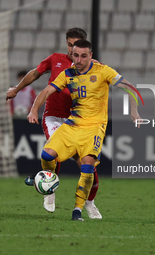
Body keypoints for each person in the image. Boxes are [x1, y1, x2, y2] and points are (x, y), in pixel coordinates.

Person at [27, 39, 141, 221]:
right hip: (73, 125)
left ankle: (78, 210)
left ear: (91, 56)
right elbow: (46, 91)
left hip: (94, 128)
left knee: (87, 167)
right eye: (76, 55)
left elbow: (129, 87)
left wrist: (134, 111)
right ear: (71, 55)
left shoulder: (103, 71)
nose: (79, 60)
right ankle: (49, 185)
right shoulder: (68, 74)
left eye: (84, 56)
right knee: (47, 155)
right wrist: (34, 109)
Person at [6, 28, 102, 219]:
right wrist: (17, 89)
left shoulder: (94, 67)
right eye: (69, 44)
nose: (70, 49)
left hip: (77, 122)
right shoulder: (55, 59)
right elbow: (34, 74)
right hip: (53, 117)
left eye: (74, 45)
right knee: (55, 152)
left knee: (88, 167)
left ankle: (90, 203)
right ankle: (49, 191)